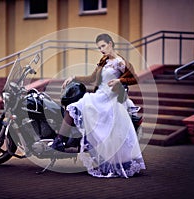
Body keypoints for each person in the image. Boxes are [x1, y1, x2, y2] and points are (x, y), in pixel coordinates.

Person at [54, 33, 146, 178]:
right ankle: (60, 141)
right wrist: (73, 77)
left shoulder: (120, 62)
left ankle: (59, 141)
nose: (101, 49)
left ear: (110, 44)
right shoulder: (103, 60)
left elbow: (134, 78)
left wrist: (120, 81)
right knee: (73, 109)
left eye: (103, 46)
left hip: (109, 99)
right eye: (99, 47)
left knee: (73, 108)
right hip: (99, 96)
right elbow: (92, 78)